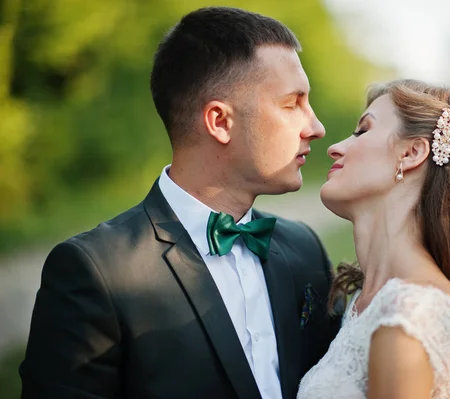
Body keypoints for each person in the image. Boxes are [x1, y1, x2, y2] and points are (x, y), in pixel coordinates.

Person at [20, 7, 340, 399]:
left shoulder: (304, 248)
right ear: (220, 122)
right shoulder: (97, 272)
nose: (317, 127)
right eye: (293, 104)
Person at [297, 79, 450, 398]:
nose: (336, 147)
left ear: (412, 152)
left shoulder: (410, 312)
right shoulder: (369, 300)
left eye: (362, 131)